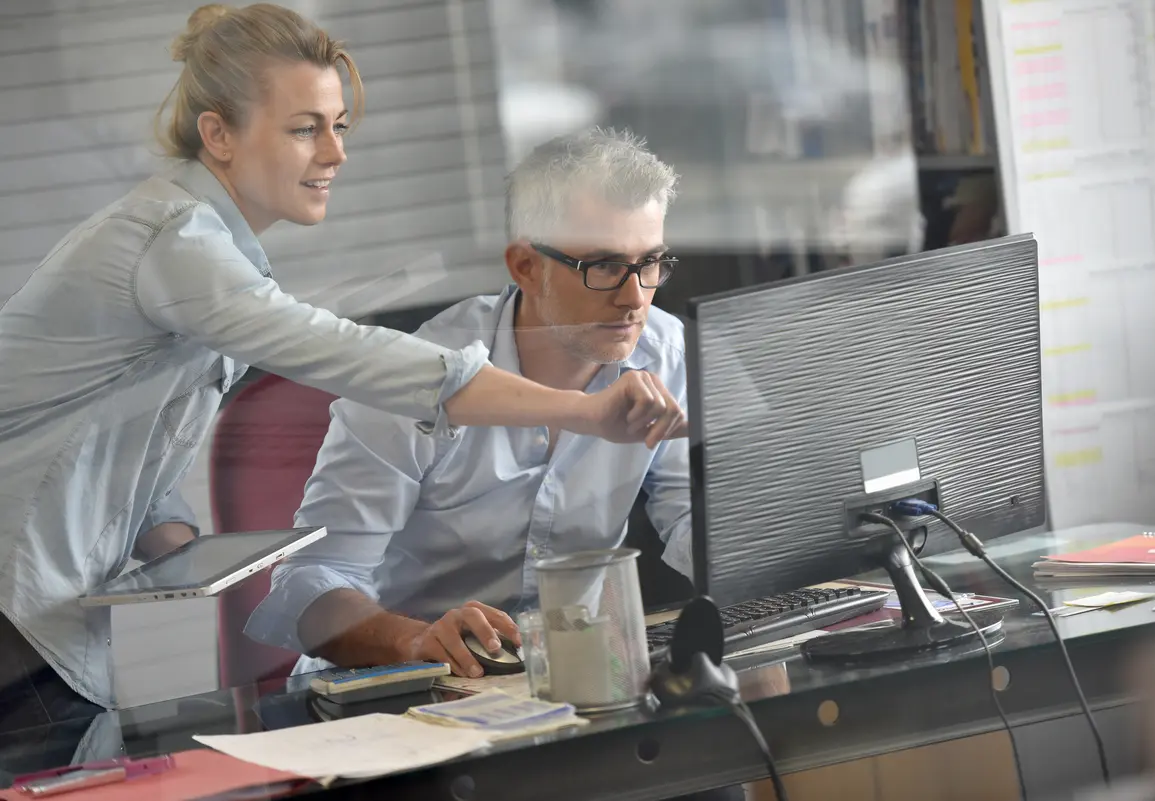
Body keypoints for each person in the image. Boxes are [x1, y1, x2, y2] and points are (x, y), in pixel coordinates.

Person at [0, 4, 685, 729]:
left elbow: (132, 432)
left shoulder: (205, 255)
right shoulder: (177, 243)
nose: (334, 154)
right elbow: (346, 353)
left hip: (62, 616)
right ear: (219, 135)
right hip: (19, 611)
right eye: (305, 128)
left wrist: (177, 551)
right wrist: (583, 411)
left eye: (339, 126)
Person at [246, 127, 692, 680]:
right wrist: (417, 641)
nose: (635, 299)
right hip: (397, 690)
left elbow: (700, 518)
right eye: (602, 267)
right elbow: (309, 584)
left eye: (650, 263)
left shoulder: (665, 352)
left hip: (561, 676)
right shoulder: (418, 375)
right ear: (526, 267)